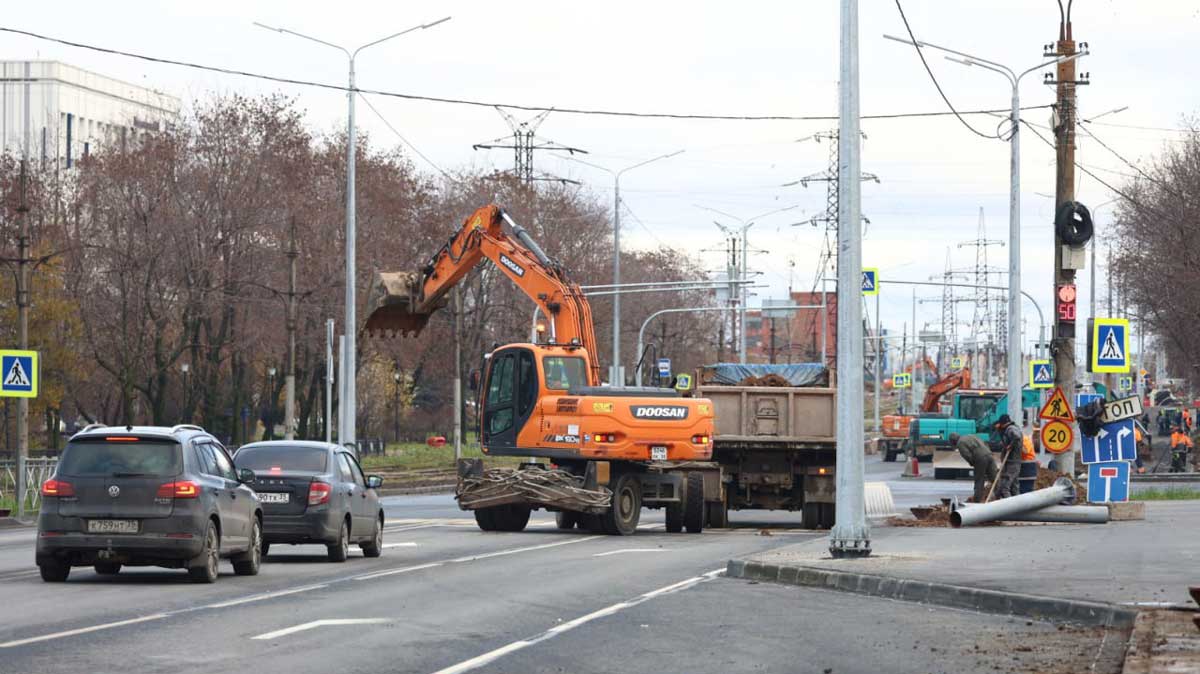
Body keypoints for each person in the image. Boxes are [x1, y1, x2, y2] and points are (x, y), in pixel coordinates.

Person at [950, 432, 998, 503]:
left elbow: (967, 455)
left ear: (953, 441)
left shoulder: (960, 443)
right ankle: (1002, 496)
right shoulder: (970, 435)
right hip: (989, 454)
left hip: (980, 458)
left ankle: (977, 501)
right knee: (995, 478)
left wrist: (973, 463)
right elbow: (984, 443)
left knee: (979, 480)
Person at [993, 414, 1023, 499]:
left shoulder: (1011, 429)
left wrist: (1011, 445)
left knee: (1005, 487)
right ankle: (1018, 505)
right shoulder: (1007, 429)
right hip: (1011, 462)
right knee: (1014, 487)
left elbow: (1016, 437)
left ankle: (1010, 507)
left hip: (1012, 462)